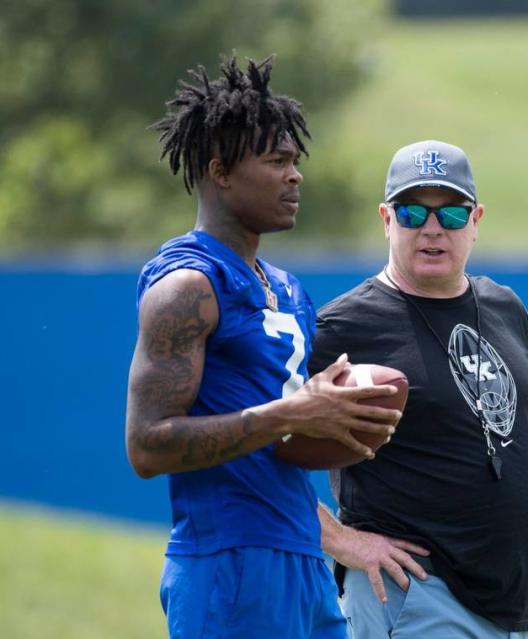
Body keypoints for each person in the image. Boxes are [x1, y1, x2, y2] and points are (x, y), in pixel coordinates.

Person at [124, 56, 402, 639]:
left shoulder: (286, 288)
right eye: (276, 162)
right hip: (228, 563)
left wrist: (336, 429)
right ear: (220, 171)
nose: (295, 176)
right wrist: (294, 413)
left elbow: (280, 449)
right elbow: (147, 447)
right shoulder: (188, 287)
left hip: (302, 564)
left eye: (294, 161)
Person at [310, 140, 528, 638]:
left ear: (475, 220)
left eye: (449, 213)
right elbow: (256, 443)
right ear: (385, 219)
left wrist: (518, 474)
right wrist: (340, 540)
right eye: (411, 212)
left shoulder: (502, 304)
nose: (431, 228)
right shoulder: (343, 327)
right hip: (414, 598)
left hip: (507, 607)